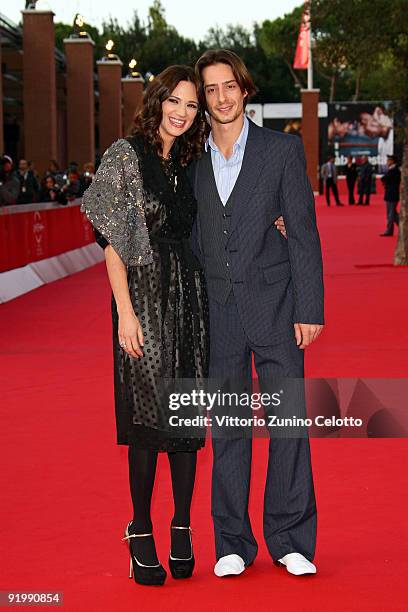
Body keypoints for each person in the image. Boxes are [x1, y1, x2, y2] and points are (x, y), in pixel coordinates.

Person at [190, 49, 324, 579]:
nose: (221, 98)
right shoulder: (191, 163)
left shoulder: (281, 151)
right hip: (217, 312)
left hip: (276, 308)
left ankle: (290, 537)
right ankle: (231, 541)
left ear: (244, 90)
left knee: (288, 425)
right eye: (211, 89)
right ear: (202, 99)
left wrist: (309, 307)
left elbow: (305, 234)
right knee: (227, 427)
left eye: (229, 87)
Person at [81, 65, 211, 588]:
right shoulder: (126, 156)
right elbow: (112, 239)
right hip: (145, 301)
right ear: (156, 101)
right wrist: (125, 312)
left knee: (185, 419)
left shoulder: (189, 161)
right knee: (147, 417)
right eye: (174, 101)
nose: (182, 112)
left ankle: (181, 525)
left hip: (191, 304)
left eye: (191, 104)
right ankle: (140, 529)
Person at [380, 155, 401, 236]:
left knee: (390, 213)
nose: (387, 162)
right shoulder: (392, 170)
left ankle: (389, 230)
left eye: (389, 160)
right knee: (393, 213)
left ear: (392, 161)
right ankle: (403, 226)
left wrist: (385, 180)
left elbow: (386, 178)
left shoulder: (395, 170)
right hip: (390, 194)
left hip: (392, 195)